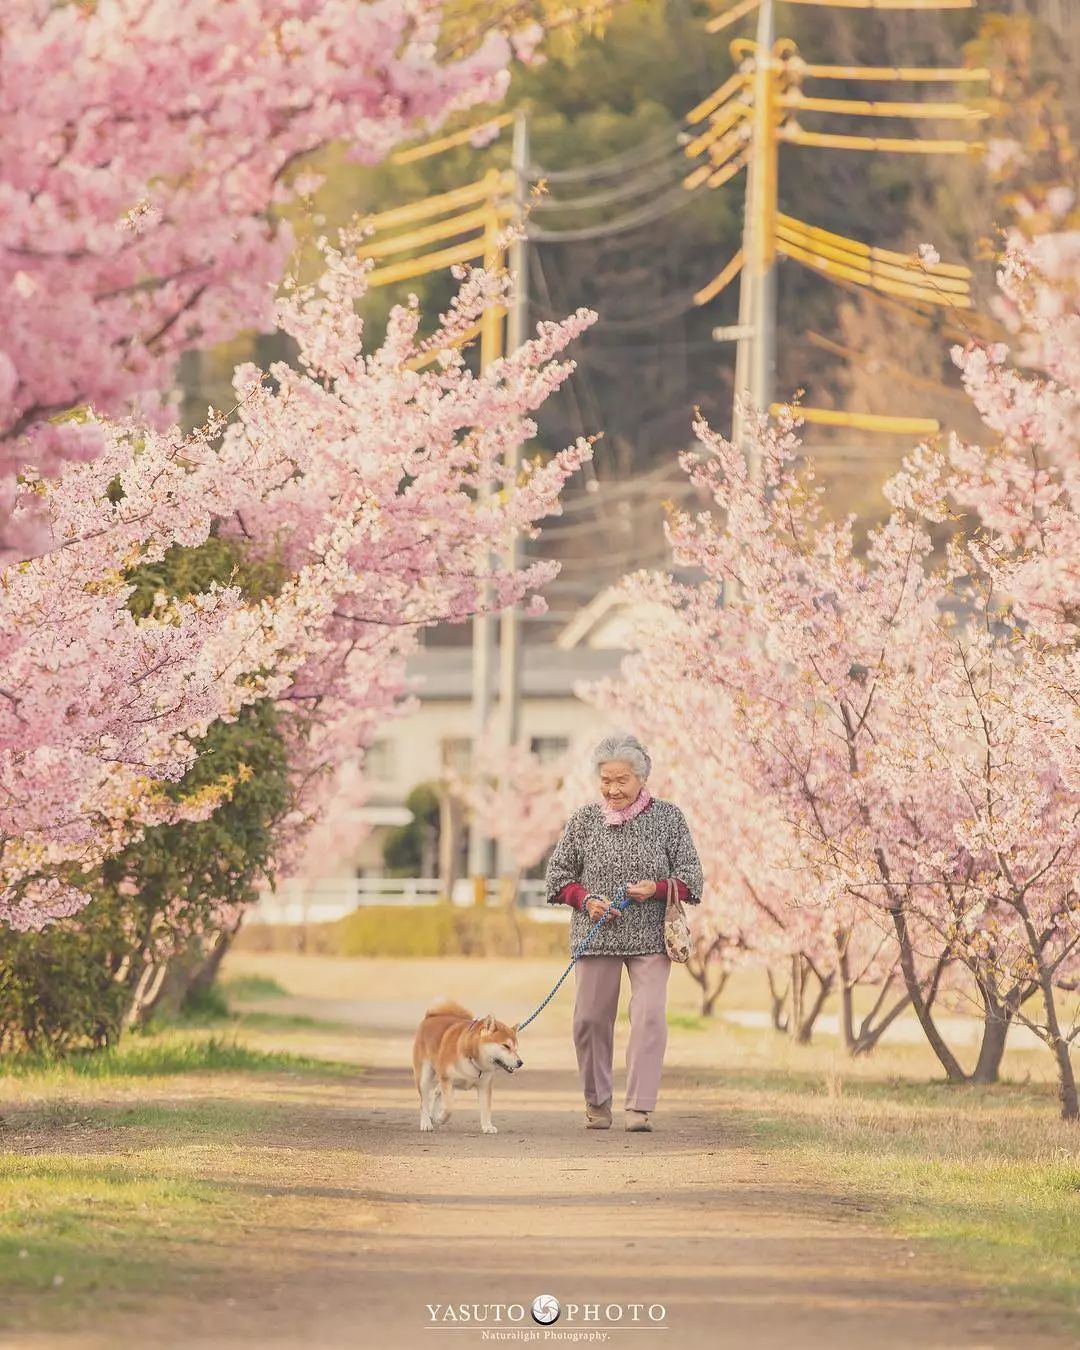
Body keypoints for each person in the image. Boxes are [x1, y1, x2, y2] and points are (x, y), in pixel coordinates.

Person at [544, 732, 704, 1132]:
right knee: (590, 1020)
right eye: (606, 780)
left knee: (649, 1015)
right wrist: (585, 900)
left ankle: (640, 1106)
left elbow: (692, 879)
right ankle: (597, 1101)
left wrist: (658, 888)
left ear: (641, 778)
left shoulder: (669, 818)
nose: (612, 789)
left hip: (651, 935)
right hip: (597, 934)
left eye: (621, 780)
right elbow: (558, 877)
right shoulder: (583, 820)